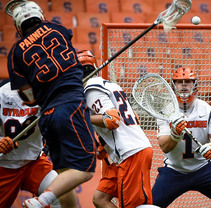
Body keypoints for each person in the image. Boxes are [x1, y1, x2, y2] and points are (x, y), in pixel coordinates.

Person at [5, 1, 96, 207]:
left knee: (64, 175)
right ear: (40, 15)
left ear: (19, 26)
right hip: (71, 105)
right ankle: (40, 202)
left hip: (47, 115)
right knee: (85, 169)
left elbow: (28, 97)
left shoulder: (15, 53)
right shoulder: (56, 28)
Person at [152, 67, 211, 208]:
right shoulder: (165, 112)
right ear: (173, 86)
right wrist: (175, 134)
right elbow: (164, 146)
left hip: (204, 167)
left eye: (188, 81)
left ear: (195, 85)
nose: (184, 85)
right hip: (175, 169)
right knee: (151, 204)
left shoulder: (206, 109)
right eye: (179, 82)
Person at [77, 50, 155, 208]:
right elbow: (131, 118)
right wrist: (104, 144)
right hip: (125, 153)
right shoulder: (111, 85)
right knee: (100, 198)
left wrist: (80, 117)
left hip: (131, 153)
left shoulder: (91, 89)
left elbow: (112, 119)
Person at [0, 79, 61, 208]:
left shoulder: (46, 91)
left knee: (62, 194)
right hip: (4, 165)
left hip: (33, 162)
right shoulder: (1, 92)